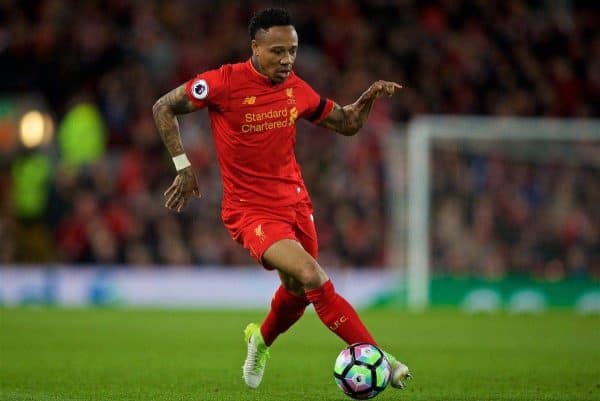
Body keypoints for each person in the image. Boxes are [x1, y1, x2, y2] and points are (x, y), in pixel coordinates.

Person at [152, 7, 411, 390]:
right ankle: (378, 356)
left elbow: (347, 123)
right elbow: (163, 107)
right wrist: (183, 166)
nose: (287, 59)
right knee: (312, 276)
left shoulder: (297, 89)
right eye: (277, 51)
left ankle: (260, 340)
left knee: (297, 293)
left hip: (295, 205)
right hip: (249, 211)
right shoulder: (223, 82)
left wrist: (367, 98)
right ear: (255, 48)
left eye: (292, 50)